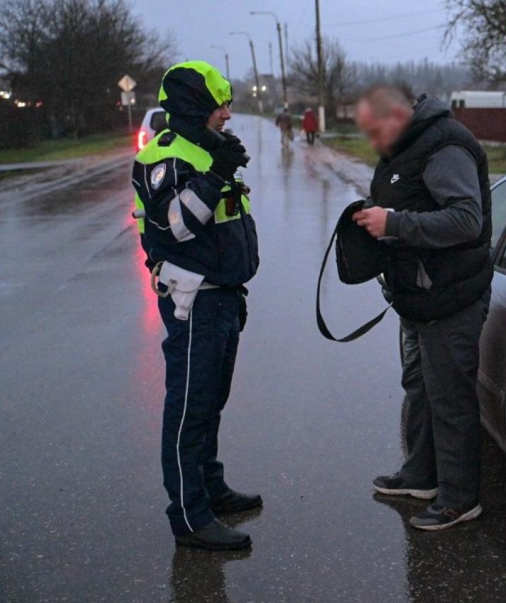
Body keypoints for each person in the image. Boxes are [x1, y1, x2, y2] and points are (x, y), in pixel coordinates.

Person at [131, 61, 261, 550]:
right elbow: (176, 226)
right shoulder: (161, 155)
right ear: (194, 107)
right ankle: (189, 516)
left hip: (223, 297)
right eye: (219, 104)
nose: (227, 113)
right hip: (194, 303)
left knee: (212, 401)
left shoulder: (207, 149)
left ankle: (210, 487)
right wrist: (217, 174)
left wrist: (222, 165)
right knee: (189, 406)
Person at [353, 85, 493, 531]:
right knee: (419, 387)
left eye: (376, 132)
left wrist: (393, 222)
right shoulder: (407, 146)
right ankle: (420, 476)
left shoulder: (446, 146)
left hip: (451, 296)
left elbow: (466, 219)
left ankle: (458, 499)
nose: (374, 142)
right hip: (416, 296)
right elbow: (411, 200)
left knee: (449, 397)